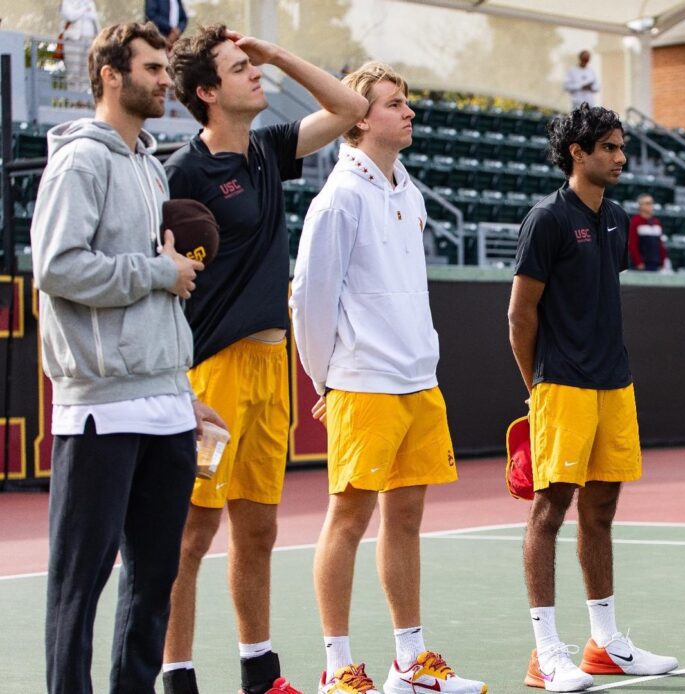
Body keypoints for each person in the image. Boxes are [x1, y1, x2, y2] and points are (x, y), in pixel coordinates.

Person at [161, 25, 368, 694]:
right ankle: (177, 675)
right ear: (206, 91)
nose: (254, 75)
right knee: (190, 536)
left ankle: (259, 672)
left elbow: (349, 109)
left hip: (268, 371)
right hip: (211, 373)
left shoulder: (267, 150)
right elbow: (165, 282)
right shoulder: (184, 171)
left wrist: (275, 54)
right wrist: (177, 385)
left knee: (259, 529)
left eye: (253, 65)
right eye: (238, 68)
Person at [31, 21, 223, 693]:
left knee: (153, 583)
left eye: (166, 69)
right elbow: (57, 268)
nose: (164, 80)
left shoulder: (147, 164)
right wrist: (154, 273)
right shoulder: (81, 161)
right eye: (150, 68)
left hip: (163, 403)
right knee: (79, 587)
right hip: (101, 411)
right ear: (110, 74)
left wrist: (179, 386)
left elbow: (162, 287)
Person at [291, 61, 487, 694]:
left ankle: (411, 662)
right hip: (363, 383)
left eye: (406, 102)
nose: (408, 112)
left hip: (417, 381)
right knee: (346, 521)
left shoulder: (411, 191)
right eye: (395, 103)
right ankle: (338, 667)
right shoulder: (339, 198)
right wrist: (326, 382)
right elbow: (310, 300)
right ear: (360, 116)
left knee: (406, 520)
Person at [508, 104, 677, 692]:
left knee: (601, 510)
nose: (620, 157)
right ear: (578, 153)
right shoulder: (547, 219)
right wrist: (538, 388)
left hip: (614, 384)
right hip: (562, 385)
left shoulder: (617, 218)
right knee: (549, 510)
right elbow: (520, 313)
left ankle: (605, 644)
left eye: (622, 147)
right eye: (609, 147)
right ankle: (545, 653)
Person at [59, 0, 99, 92]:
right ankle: (73, 102)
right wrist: (84, 10)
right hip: (73, 39)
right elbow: (71, 16)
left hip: (90, 40)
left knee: (86, 73)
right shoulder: (67, 2)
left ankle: (82, 101)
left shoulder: (90, 2)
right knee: (73, 72)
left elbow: (95, 18)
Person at [628, 194, 668, 271]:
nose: (650, 205)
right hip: (641, 265)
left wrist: (662, 262)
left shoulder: (657, 222)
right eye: (647, 203)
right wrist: (638, 262)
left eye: (652, 203)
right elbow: (632, 244)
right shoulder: (635, 221)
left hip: (656, 263)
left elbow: (661, 244)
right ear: (640, 206)